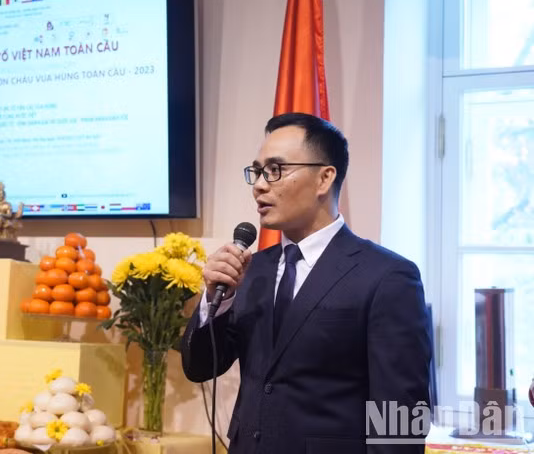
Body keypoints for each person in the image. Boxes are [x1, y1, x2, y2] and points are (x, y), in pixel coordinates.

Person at [181, 113, 432, 454]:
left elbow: (399, 418)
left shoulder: (387, 277)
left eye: (275, 170)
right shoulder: (253, 271)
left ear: (324, 178)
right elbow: (198, 367)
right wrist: (215, 299)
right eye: (257, 171)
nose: (259, 185)